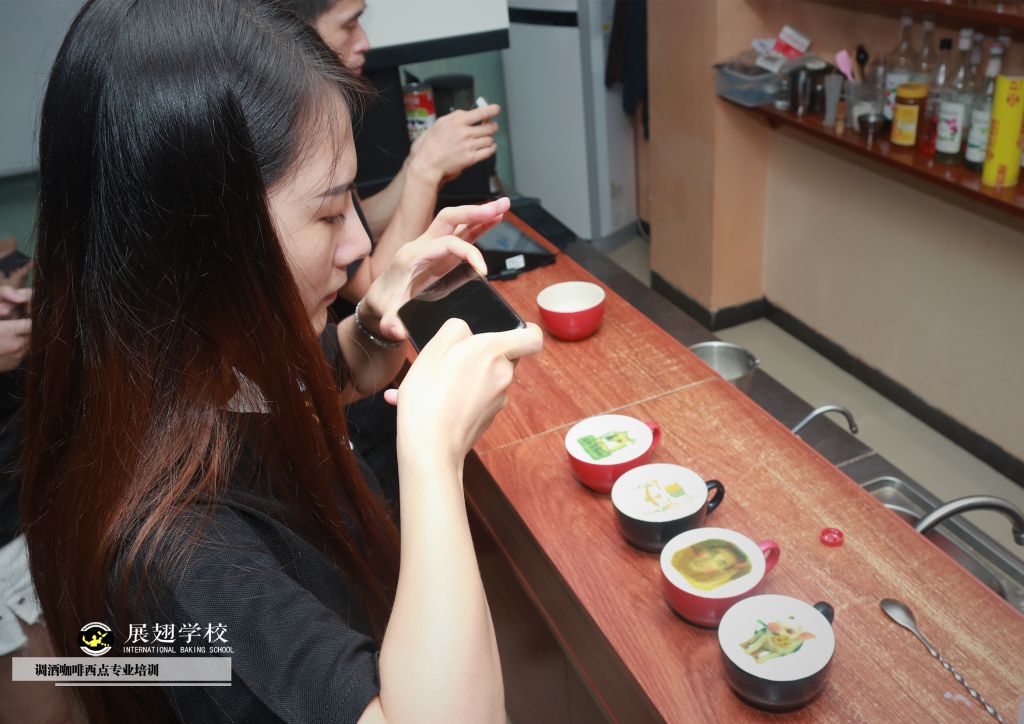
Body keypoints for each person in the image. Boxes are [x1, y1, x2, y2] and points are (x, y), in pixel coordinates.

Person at [22, 1, 542, 722]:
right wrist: (432, 456)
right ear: (199, 241)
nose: (359, 246)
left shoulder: (187, 370)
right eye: (328, 214)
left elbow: (267, 405)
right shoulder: (182, 554)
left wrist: (367, 336)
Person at [280, 0, 503, 301]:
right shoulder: (297, 127)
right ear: (297, 29)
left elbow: (361, 220)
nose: (364, 42)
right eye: (349, 25)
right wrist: (426, 170)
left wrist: (418, 162)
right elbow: (376, 290)